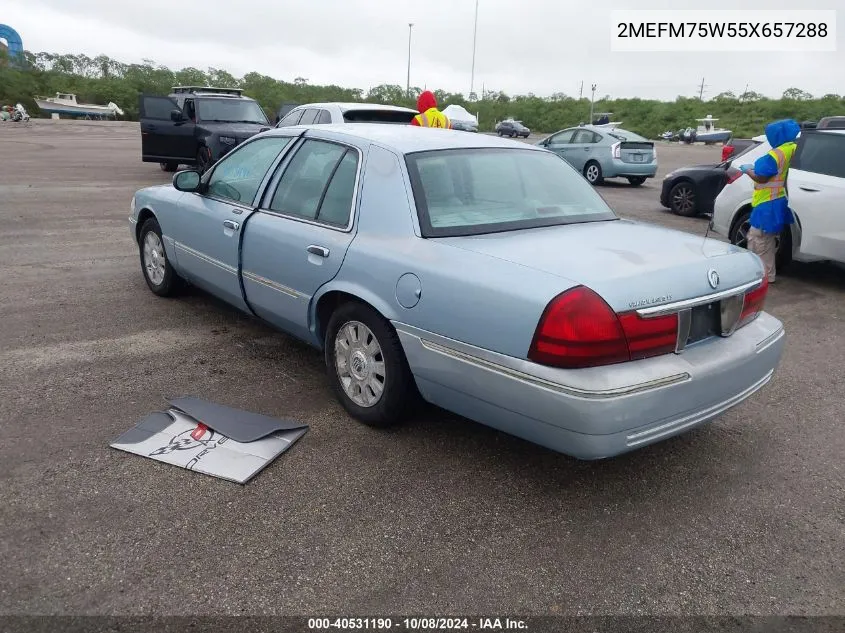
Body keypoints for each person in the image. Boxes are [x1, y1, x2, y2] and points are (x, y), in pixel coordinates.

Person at [738, 118, 801, 284]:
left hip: (768, 202)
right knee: (767, 239)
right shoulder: (795, 148)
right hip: (780, 199)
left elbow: (762, 178)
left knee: (759, 239)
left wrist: (748, 171)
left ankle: (763, 276)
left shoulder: (776, 153)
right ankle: (766, 274)